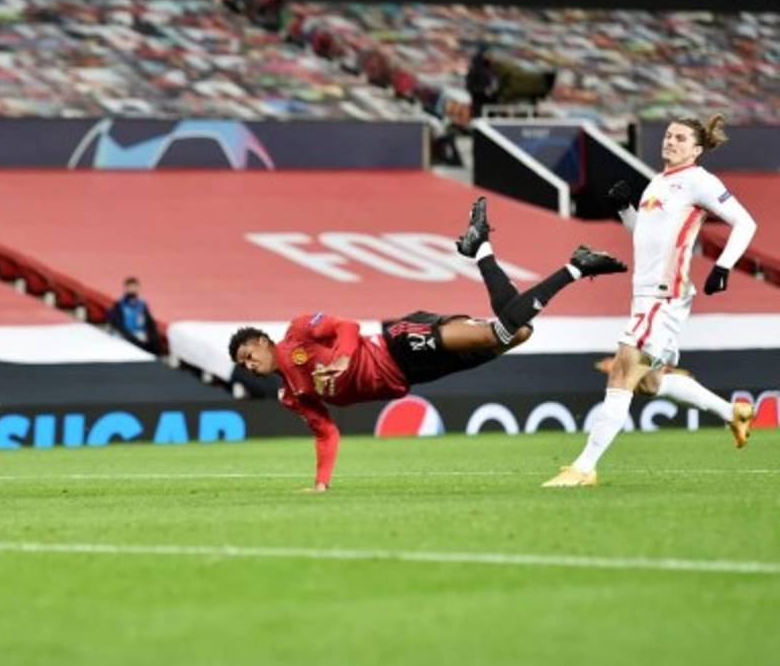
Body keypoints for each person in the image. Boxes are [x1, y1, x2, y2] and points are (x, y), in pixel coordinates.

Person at [229, 197, 628, 492]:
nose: (249, 364)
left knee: (500, 333)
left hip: (399, 345)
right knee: (517, 332)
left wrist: (346, 359)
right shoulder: (291, 395)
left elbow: (346, 325)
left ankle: (576, 266)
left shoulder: (299, 332)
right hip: (416, 375)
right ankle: (482, 248)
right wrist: (321, 484)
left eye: (248, 354)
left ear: (263, 341)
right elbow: (325, 432)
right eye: (242, 364)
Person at [544, 114, 759, 487]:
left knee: (622, 370)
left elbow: (746, 223)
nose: (670, 141)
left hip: (664, 295)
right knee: (648, 383)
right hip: (644, 295)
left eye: (679, 138)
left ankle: (583, 468)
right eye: (668, 135)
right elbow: (645, 237)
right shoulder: (658, 182)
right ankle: (734, 412)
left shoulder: (699, 181)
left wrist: (723, 266)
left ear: (696, 148)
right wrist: (626, 209)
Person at [107, 277, 163, 356]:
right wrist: (131, 337)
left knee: (154, 340)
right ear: (126, 289)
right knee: (134, 342)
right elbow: (117, 324)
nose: (133, 289)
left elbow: (150, 322)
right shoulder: (119, 305)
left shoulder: (142, 304)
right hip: (125, 333)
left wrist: (151, 335)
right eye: (130, 287)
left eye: (135, 287)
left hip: (139, 333)